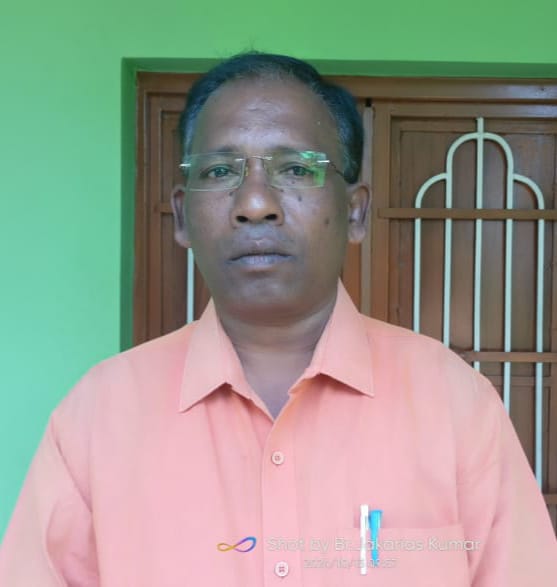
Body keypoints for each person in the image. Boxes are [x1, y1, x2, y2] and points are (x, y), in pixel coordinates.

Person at [0, 52, 556, 587]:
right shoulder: (98, 416)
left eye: (295, 168)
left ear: (355, 211)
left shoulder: (454, 404)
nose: (256, 203)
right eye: (221, 170)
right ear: (182, 215)